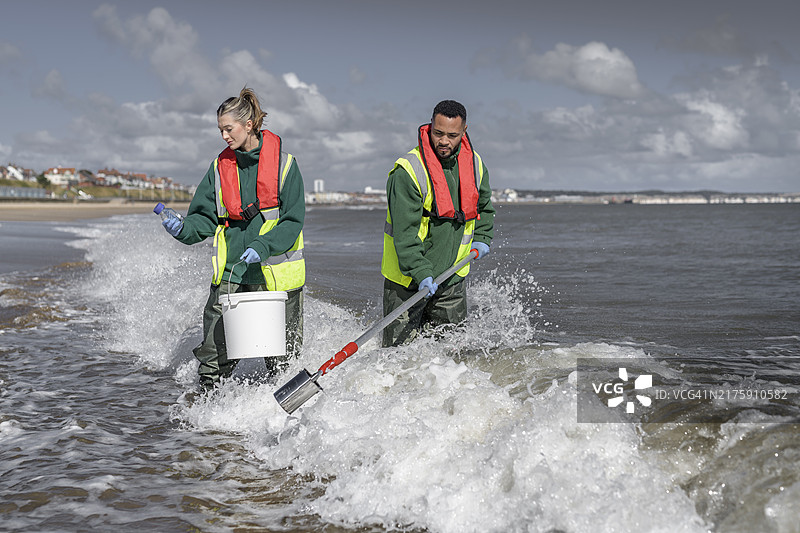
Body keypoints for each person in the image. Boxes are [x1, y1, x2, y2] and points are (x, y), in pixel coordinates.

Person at [161, 87, 305, 389]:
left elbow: (292, 222)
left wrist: (263, 246)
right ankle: (206, 421)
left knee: (283, 359)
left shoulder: (286, 166)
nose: (224, 136)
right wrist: (183, 229)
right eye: (220, 130)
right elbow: (202, 218)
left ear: (249, 125)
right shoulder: (218, 168)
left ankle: (280, 420)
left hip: (275, 276)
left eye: (229, 129)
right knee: (213, 355)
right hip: (231, 272)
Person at [381, 99, 495, 347]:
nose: (444, 141)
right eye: (438, 133)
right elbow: (405, 234)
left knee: (450, 357)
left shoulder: (475, 165)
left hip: (452, 279)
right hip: (408, 283)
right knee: (396, 360)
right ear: (430, 126)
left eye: (452, 135)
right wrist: (422, 273)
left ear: (464, 131)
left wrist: (483, 238)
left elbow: (484, 207)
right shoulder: (408, 172)